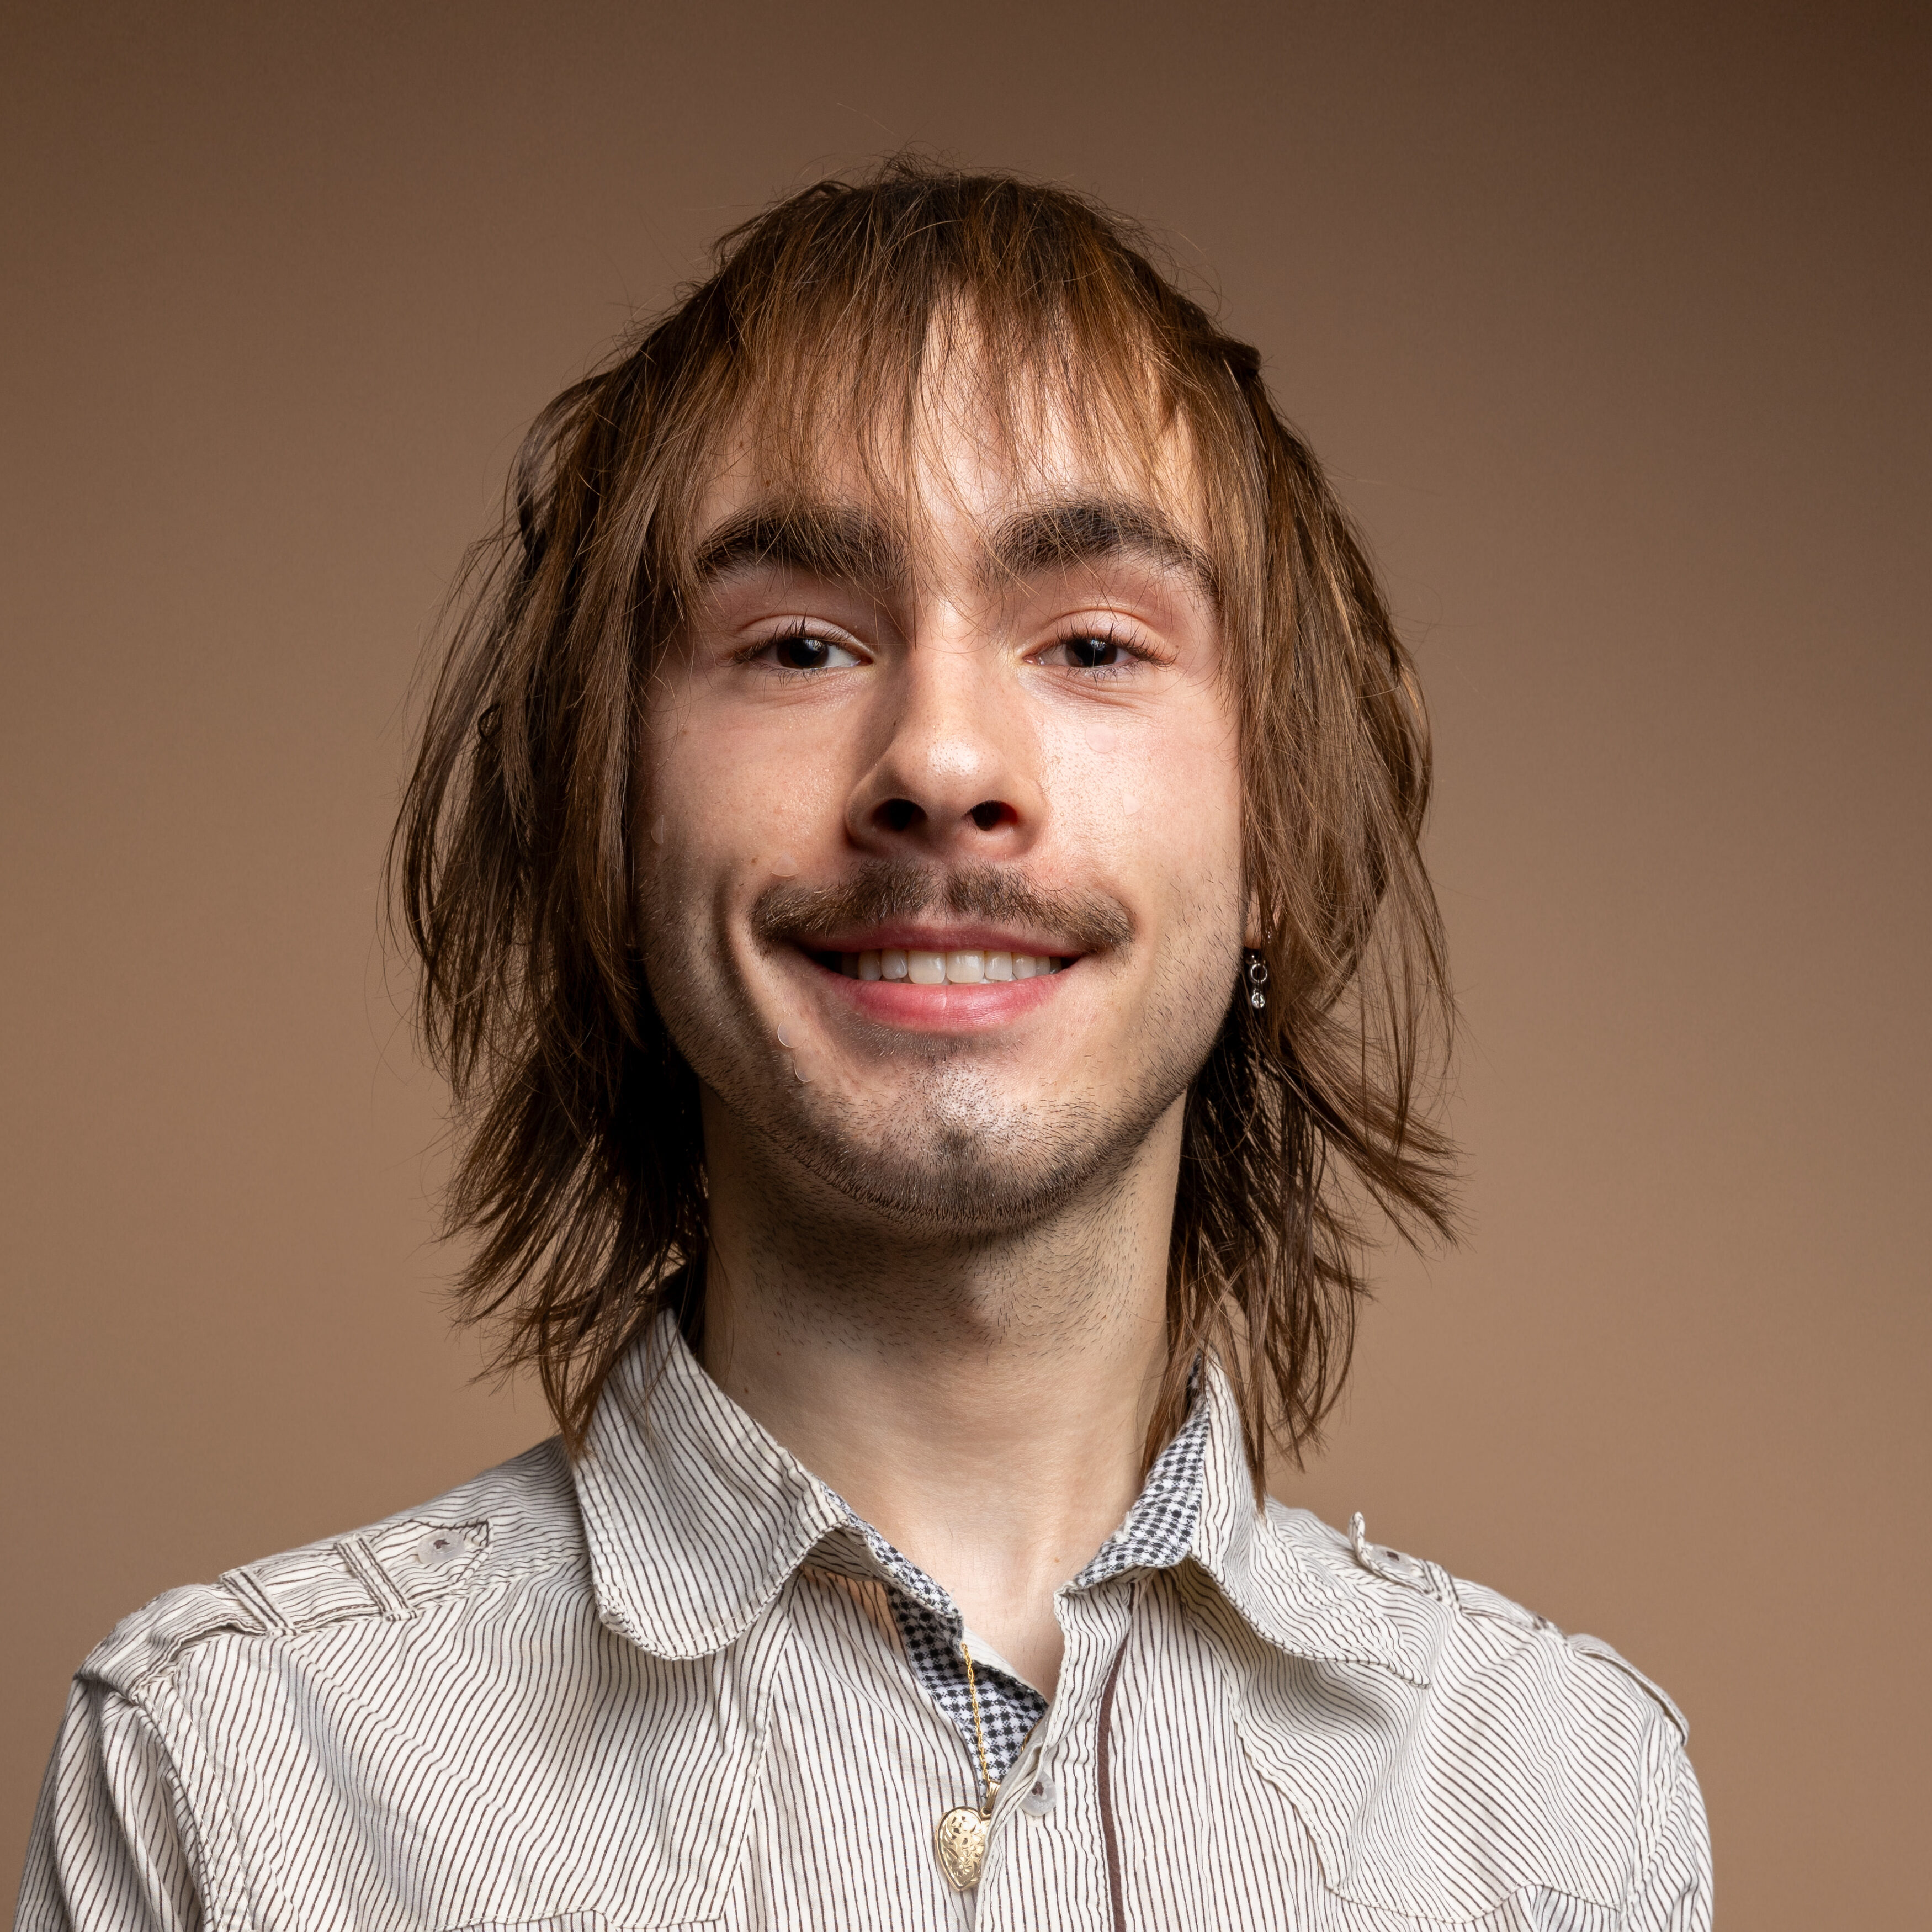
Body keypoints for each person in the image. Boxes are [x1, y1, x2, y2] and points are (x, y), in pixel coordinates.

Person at [18, 161, 1711, 1931]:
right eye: (803, 643)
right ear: (612, 812)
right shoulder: (232, 1777)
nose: (943, 759)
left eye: (1093, 641)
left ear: (1271, 824)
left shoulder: (1556, 1807)